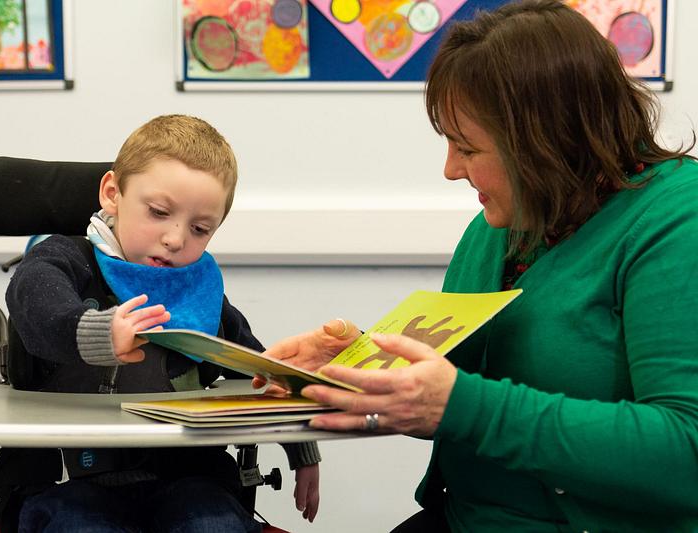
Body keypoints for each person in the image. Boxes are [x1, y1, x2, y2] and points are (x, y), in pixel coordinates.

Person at [255, 1, 698, 531]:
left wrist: (462, 406)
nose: (450, 169)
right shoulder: (499, 228)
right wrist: (356, 361)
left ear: (549, 141)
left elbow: (685, 454)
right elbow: (453, 385)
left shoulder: (675, 222)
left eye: (467, 147)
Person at [6, 114, 320, 532]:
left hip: (188, 475)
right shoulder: (64, 259)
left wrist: (301, 446)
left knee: (213, 523)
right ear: (112, 193)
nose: (175, 239)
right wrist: (99, 332)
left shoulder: (199, 292)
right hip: (70, 478)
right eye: (158, 212)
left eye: (199, 228)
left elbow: (261, 371)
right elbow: (33, 305)